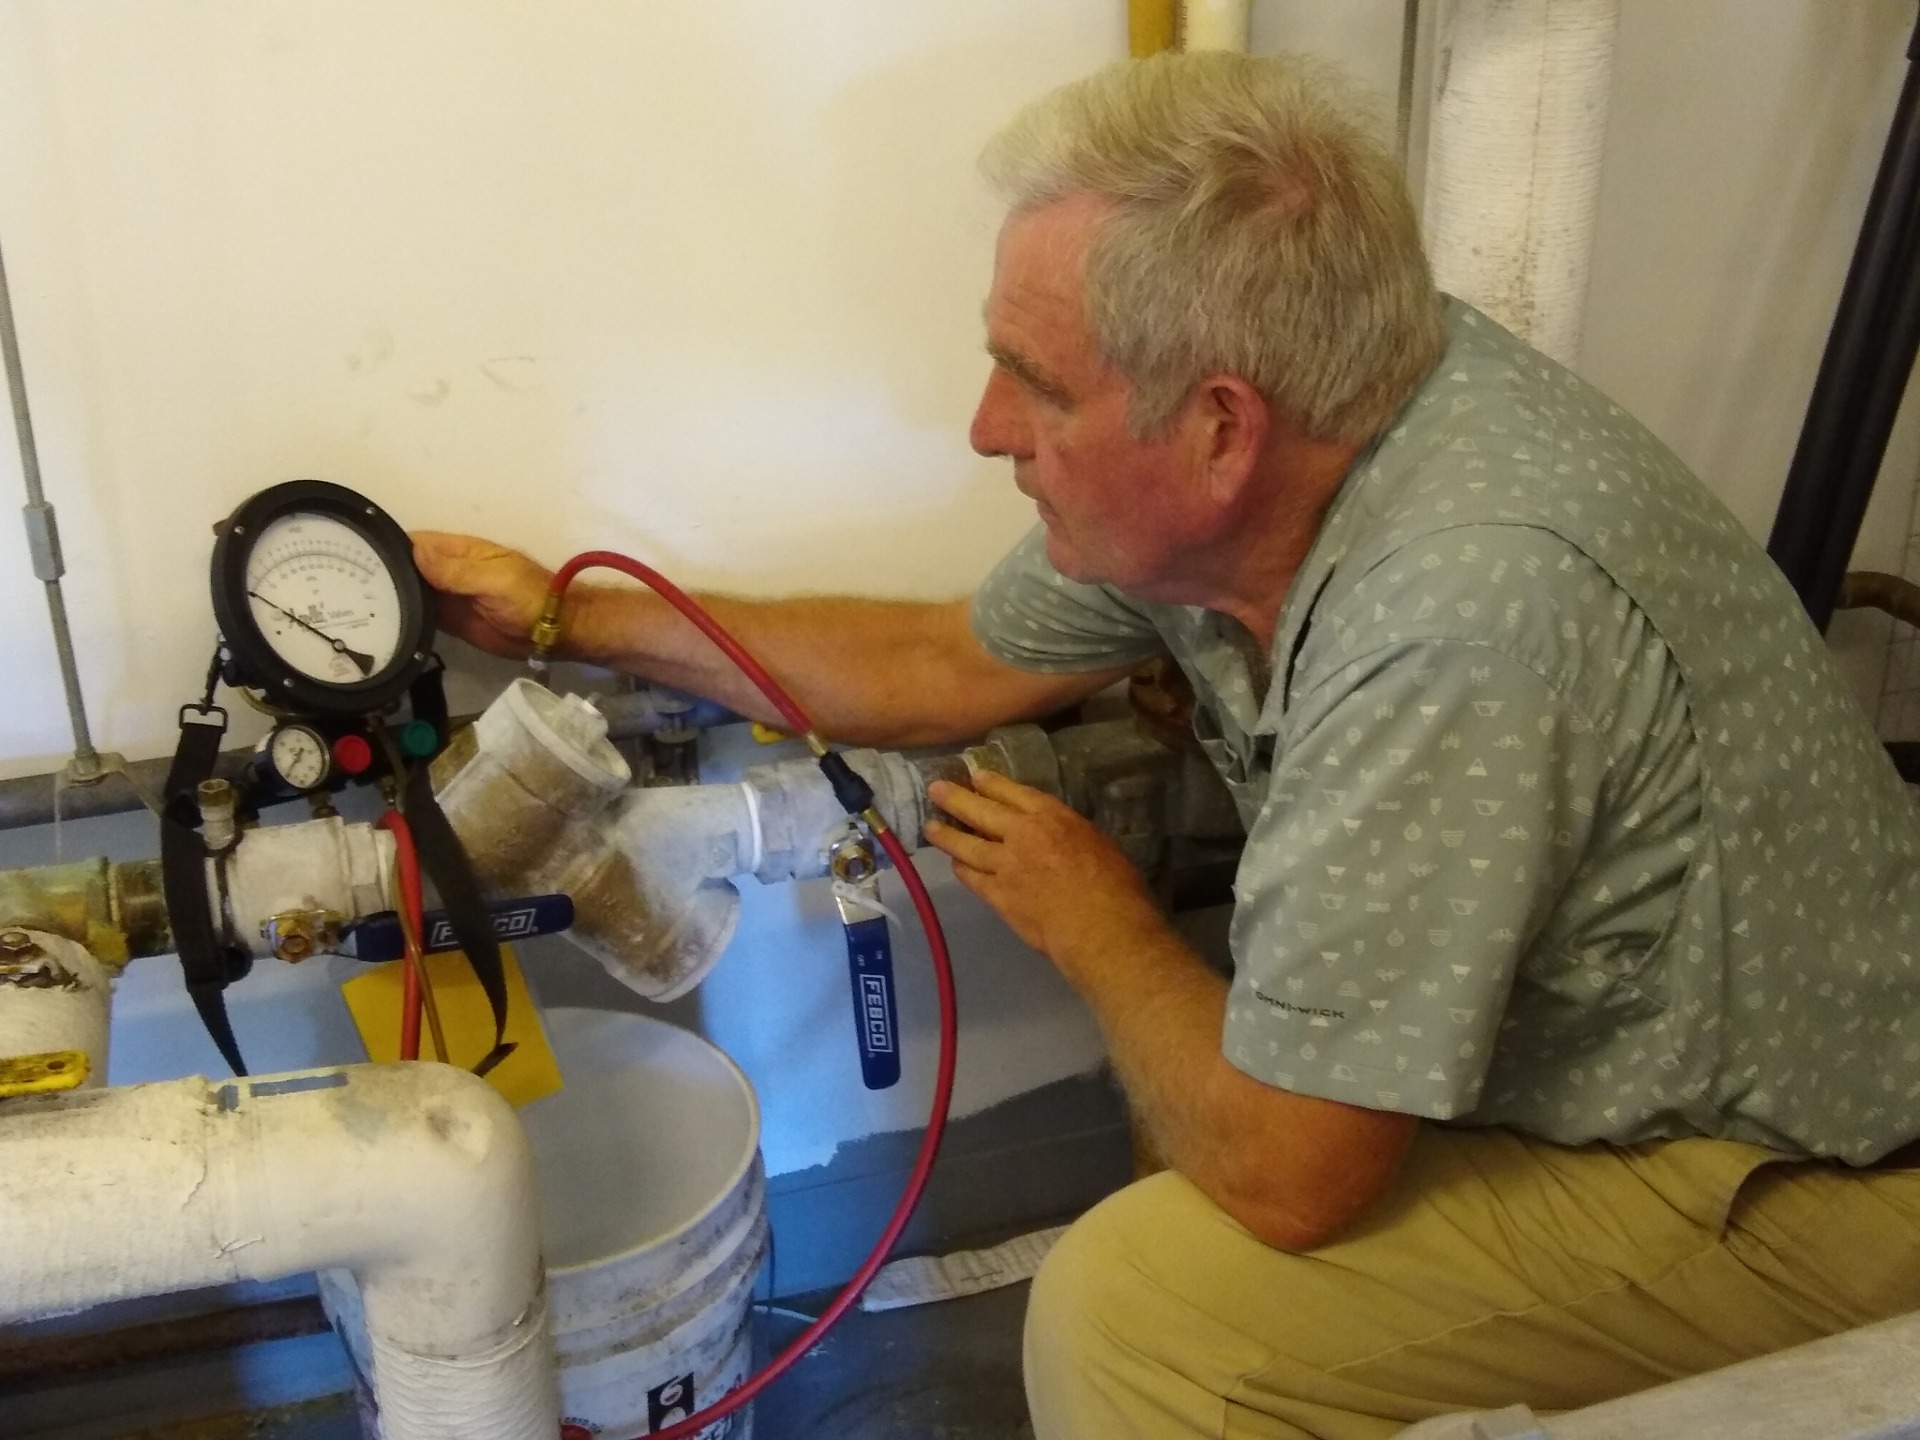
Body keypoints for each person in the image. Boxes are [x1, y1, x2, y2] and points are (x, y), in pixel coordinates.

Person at [414, 50, 1920, 1440]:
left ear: (1219, 429)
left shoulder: (1455, 623)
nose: (986, 427)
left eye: (1039, 382)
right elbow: (941, 663)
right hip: (1650, 1064)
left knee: (1144, 1316)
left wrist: (1099, 923)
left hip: (1819, 1175)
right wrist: (566, 618)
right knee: (1192, 1114)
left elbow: (1292, 1174)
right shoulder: (1304, 433)